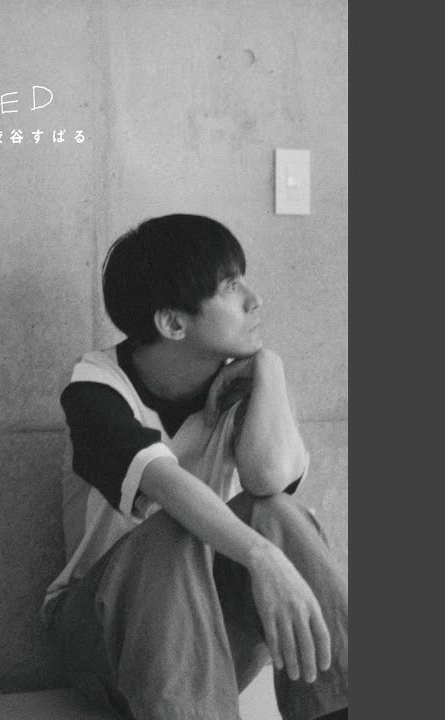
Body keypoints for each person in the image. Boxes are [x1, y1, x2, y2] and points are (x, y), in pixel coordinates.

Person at [42, 214, 348, 720]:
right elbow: (167, 488)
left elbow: (270, 481)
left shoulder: (244, 383)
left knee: (276, 512)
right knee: (176, 527)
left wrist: (269, 367)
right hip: (102, 635)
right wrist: (263, 558)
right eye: (230, 287)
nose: (254, 299)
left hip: (209, 638)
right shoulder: (93, 388)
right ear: (173, 324)